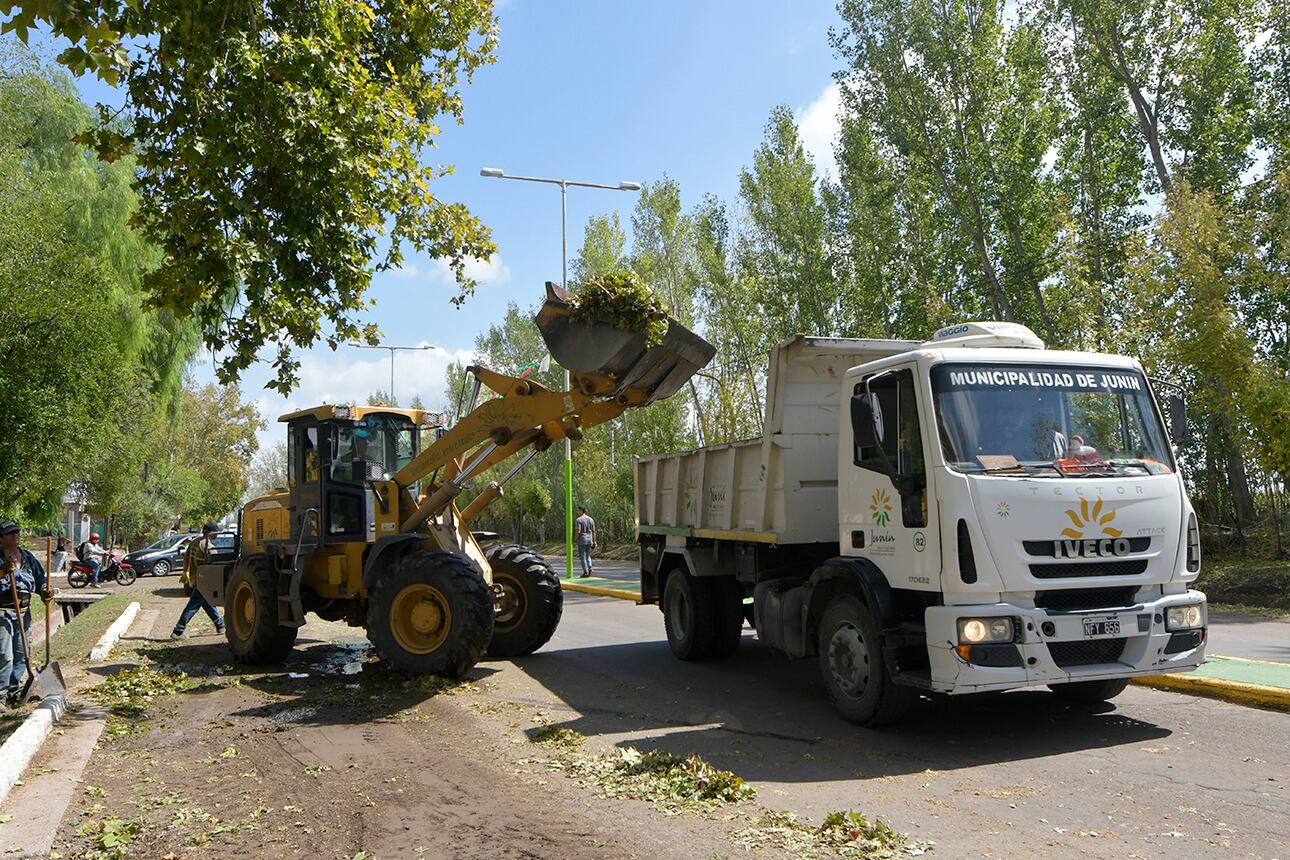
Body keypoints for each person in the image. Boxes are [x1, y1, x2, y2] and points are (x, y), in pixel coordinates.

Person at [1, 521, 51, 708]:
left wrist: (46, 590)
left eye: (16, 532)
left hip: (23, 613)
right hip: (3, 614)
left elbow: (40, 580)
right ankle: (1, 695)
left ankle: (16, 691)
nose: (15, 536)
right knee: (4, 655)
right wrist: (1, 572)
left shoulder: (28, 558)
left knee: (22, 654)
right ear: (1, 539)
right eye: (10, 533)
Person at [171, 523, 225, 640]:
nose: (217, 535)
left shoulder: (194, 542)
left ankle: (220, 625)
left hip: (196, 579)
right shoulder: (209, 547)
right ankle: (178, 631)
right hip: (204, 582)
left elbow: (186, 557)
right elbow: (215, 567)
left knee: (207, 603)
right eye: (216, 532)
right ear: (210, 533)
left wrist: (185, 572)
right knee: (193, 606)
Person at [574, 505, 597, 578]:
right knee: (587, 556)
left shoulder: (579, 520)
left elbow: (578, 531)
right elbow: (593, 531)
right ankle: (590, 568)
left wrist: (575, 539)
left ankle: (585, 572)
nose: (577, 512)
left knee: (582, 557)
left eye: (578, 510)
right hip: (589, 540)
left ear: (581, 511)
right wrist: (594, 541)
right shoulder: (591, 519)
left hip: (582, 540)